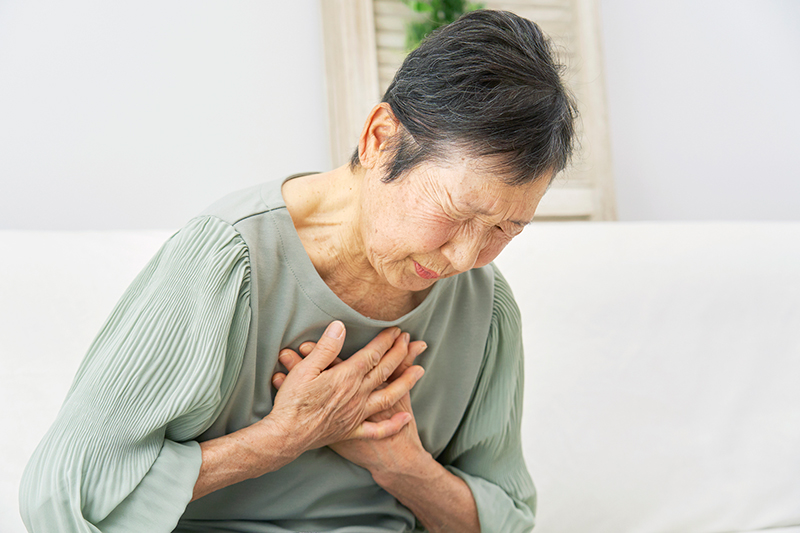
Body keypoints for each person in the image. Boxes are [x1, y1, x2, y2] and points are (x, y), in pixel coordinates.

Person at [19, 9, 577, 533]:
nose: (464, 258)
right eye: (457, 215)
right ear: (380, 139)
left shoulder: (487, 306)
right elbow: (62, 498)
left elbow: (509, 520)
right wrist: (279, 439)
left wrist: (402, 464)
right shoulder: (227, 262)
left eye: (506, 231)